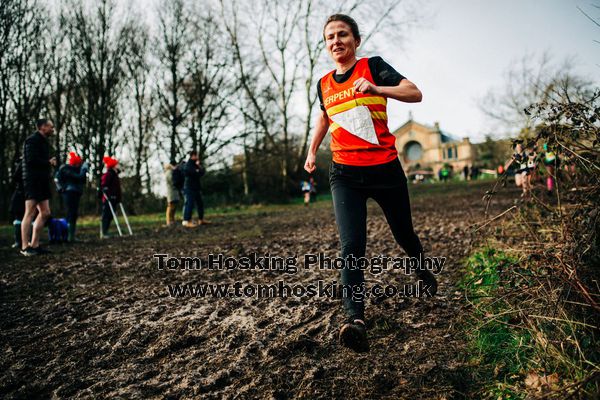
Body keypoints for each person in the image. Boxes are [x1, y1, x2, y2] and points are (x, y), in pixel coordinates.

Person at [304, 14, 437, 352]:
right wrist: (312, 150)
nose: (336, 41)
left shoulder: (373, 67)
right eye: (330, 37)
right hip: (345, 174)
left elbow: (414, 92)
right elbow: (324, 116)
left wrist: (378, 88)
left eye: (343, 34)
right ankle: (355, 319)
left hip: (385, 170)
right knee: (351, 246)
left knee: (404, 235)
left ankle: (421, 270)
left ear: (355, 40)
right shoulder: (323, 84)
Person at [20, 118, 56, 256]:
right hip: (32, 180)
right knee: (29, 212)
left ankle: (35, 245)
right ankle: (25, 247)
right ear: (42, 127)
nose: (53, 129)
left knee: (45, 212)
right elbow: (30, 160)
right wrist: (48, 162)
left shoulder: (44, 142)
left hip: (42, 181)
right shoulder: (32, 140)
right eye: (50, 127)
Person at [56, 152, 88, 242]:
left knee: (73, 214)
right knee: (70, 213)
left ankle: (71, 236)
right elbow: (79, 177)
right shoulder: (67, 169)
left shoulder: (73, 169)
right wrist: (84, 169)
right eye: (79, 163)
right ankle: (67, 236)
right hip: (69, 193)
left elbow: (82, 180)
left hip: (75, 193)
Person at [182, 150, 209, 227]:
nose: (197, 157)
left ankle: (201, 219)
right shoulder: (188, 165)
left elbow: (202, 172)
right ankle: (186, 220)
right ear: (193, 156)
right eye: (196, 155)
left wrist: (199, 167)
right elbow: (192, 173)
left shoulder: (196, 164)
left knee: (200, 203)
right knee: (189, 204)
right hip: (189, 187)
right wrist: (197, 171)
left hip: (196, 187)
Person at [100, 156, 121, 238]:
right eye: (116, 165)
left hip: (114, 198)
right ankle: (104, 232)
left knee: (111, 216)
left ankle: (106, 231)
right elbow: (103, 185)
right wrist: (106, 193)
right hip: (108, 198)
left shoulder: (115, 174)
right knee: (106, 215)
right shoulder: (108, 174)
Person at [10, 158, 26, 249]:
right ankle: (18, 241)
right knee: (18, 219)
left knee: (27, 218)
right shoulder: (22, 165)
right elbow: (16, 177)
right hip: (20, 195)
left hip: (27, 194)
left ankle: (25, 241)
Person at [164, 161, 182, 226]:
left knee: (174, 207)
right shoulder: (169, 172)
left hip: (174, 191)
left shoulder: (171, 172)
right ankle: (169, 221)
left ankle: (172, 220)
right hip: (171, 192)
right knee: (171, 206)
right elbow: (172, 181)